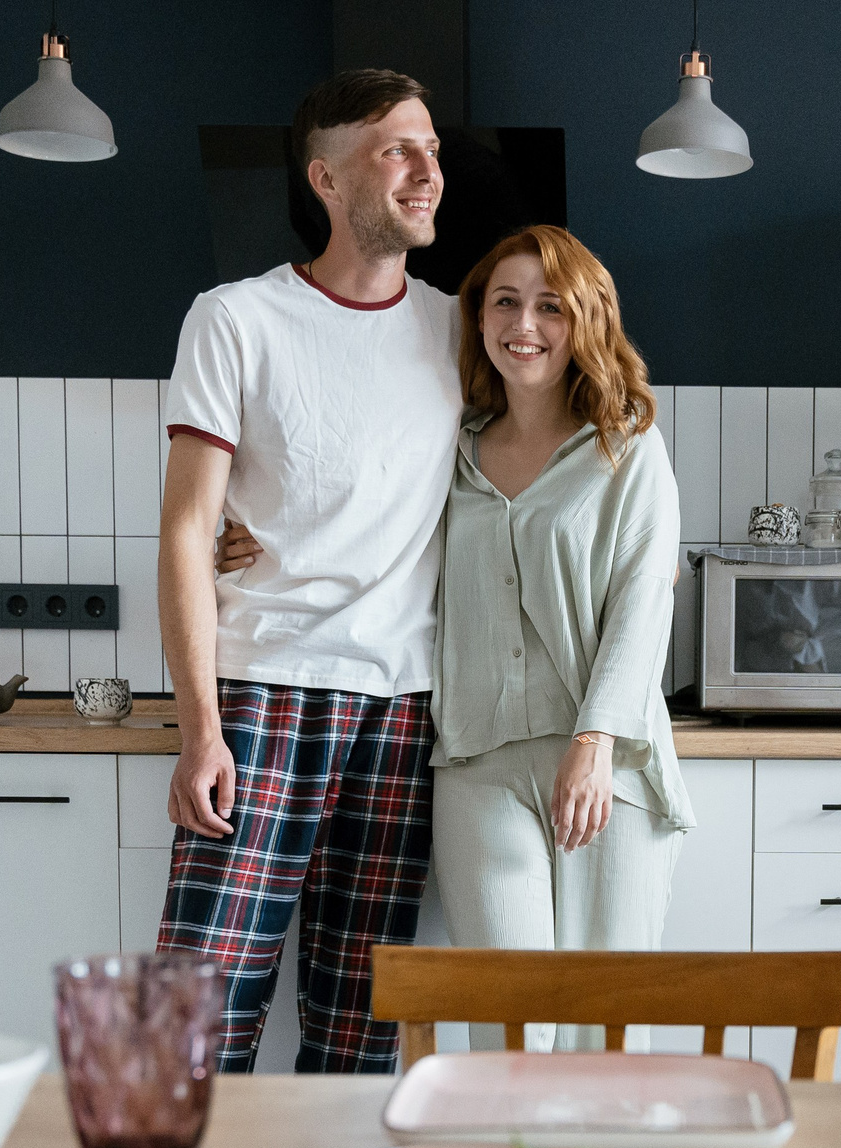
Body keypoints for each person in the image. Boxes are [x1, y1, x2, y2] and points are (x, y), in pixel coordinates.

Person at [152, 69, 460, 1073]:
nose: (427, 172)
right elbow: (187, 530)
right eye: (398, 150)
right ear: (326, 178)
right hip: (261, 696)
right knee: (196, 1023)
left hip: (403, 710)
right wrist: (200, 727)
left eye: (432, 150)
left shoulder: (464, 330)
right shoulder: (235, 318)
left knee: (361, 1035)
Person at [427, 225, 692, 1049]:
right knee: (510, 1026)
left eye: (550, 306)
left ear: (585, 321)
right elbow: (365, 535)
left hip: (605, 765)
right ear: (478, 320)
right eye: (504, 302)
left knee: (603, 1025)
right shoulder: (449, 452)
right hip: (478, 764)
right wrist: (249, 540)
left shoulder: (627, 447)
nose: (524, 324)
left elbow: (644, 598)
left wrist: (595, 737)